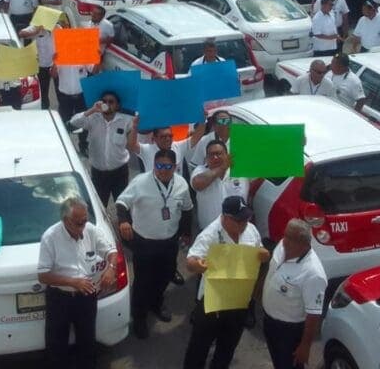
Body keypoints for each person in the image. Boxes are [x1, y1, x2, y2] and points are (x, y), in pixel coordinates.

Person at [182, 196, 269, 369]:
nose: (243, 224)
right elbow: (190, 261)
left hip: (239, 301)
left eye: (246, 218)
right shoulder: (210, 235)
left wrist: (264, 254)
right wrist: (198, 265)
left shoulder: (250, 230)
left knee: (228, 346)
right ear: (226, 217)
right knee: (199, 346)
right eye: (239, 220)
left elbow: (260, 250)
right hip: (212, 303)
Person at [116, 149, 193, 338]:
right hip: (145, 242)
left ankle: (156, 303)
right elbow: (121, 203)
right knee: (143, 282)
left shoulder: (181, 183)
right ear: (154, 165)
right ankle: (139, 317)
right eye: (159, 166)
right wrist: (124, 221)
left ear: (175, 167)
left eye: (168, 166)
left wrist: (186, 232)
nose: (163, 170)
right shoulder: (141, 182)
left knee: (166, 275)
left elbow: (187, 209)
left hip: (169, 242)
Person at [37, 197, 118, 368]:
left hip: (86, 296)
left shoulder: (90, 230)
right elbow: (43, 275)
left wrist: (111, 268)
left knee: (87, 342)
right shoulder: (50, 237)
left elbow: (112, 252)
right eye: (78, 223)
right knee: (56, 345)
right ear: (66, 220)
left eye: (85, 221)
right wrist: (73, 282)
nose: (83, 227)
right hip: (59, 299)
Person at [261, 219, 327, 369]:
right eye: (286, 236)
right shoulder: (282, 247)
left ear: (304, 244)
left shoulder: (313, 273)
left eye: (291, 239)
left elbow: (313, 314)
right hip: (270, 322)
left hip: (289, 332)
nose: (285, 241)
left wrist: (305, 346)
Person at [71, 92, 131, 206]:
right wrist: (92, 110)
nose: (107, 104)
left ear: (117, 105)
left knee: (123, 206)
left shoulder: (126, 120)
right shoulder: (93, 118)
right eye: (104, 101)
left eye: (111, 102)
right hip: (98, 173)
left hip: (120, 172)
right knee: (99, 206)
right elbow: (74, 122)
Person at [191, 140, 247, 230]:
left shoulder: (240, 170)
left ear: (227, 155)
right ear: (206, 158)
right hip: (209, 232)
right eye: (211, 155)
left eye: (219, 153)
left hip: (236, 230)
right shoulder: (200, 170)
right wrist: (222, 168)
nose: (215, 157)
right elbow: (197, 184)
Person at [127, 114, 201, 173]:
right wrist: (135, 127)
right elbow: (132, 145)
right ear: (154, 138)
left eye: (170, 136)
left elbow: (197, 136)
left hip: (175, 190)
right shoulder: (147, 149)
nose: (168, 139)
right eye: (163, 137)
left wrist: (203, 120)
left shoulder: (178, 146)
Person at [19, 22, 56, 109]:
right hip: (41, 66)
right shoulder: (35, 27)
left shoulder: (57, 28)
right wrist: (36, 31)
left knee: (60, 91)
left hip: (55, 65)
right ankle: (45, 109)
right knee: (43, 91)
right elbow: (21, 34)